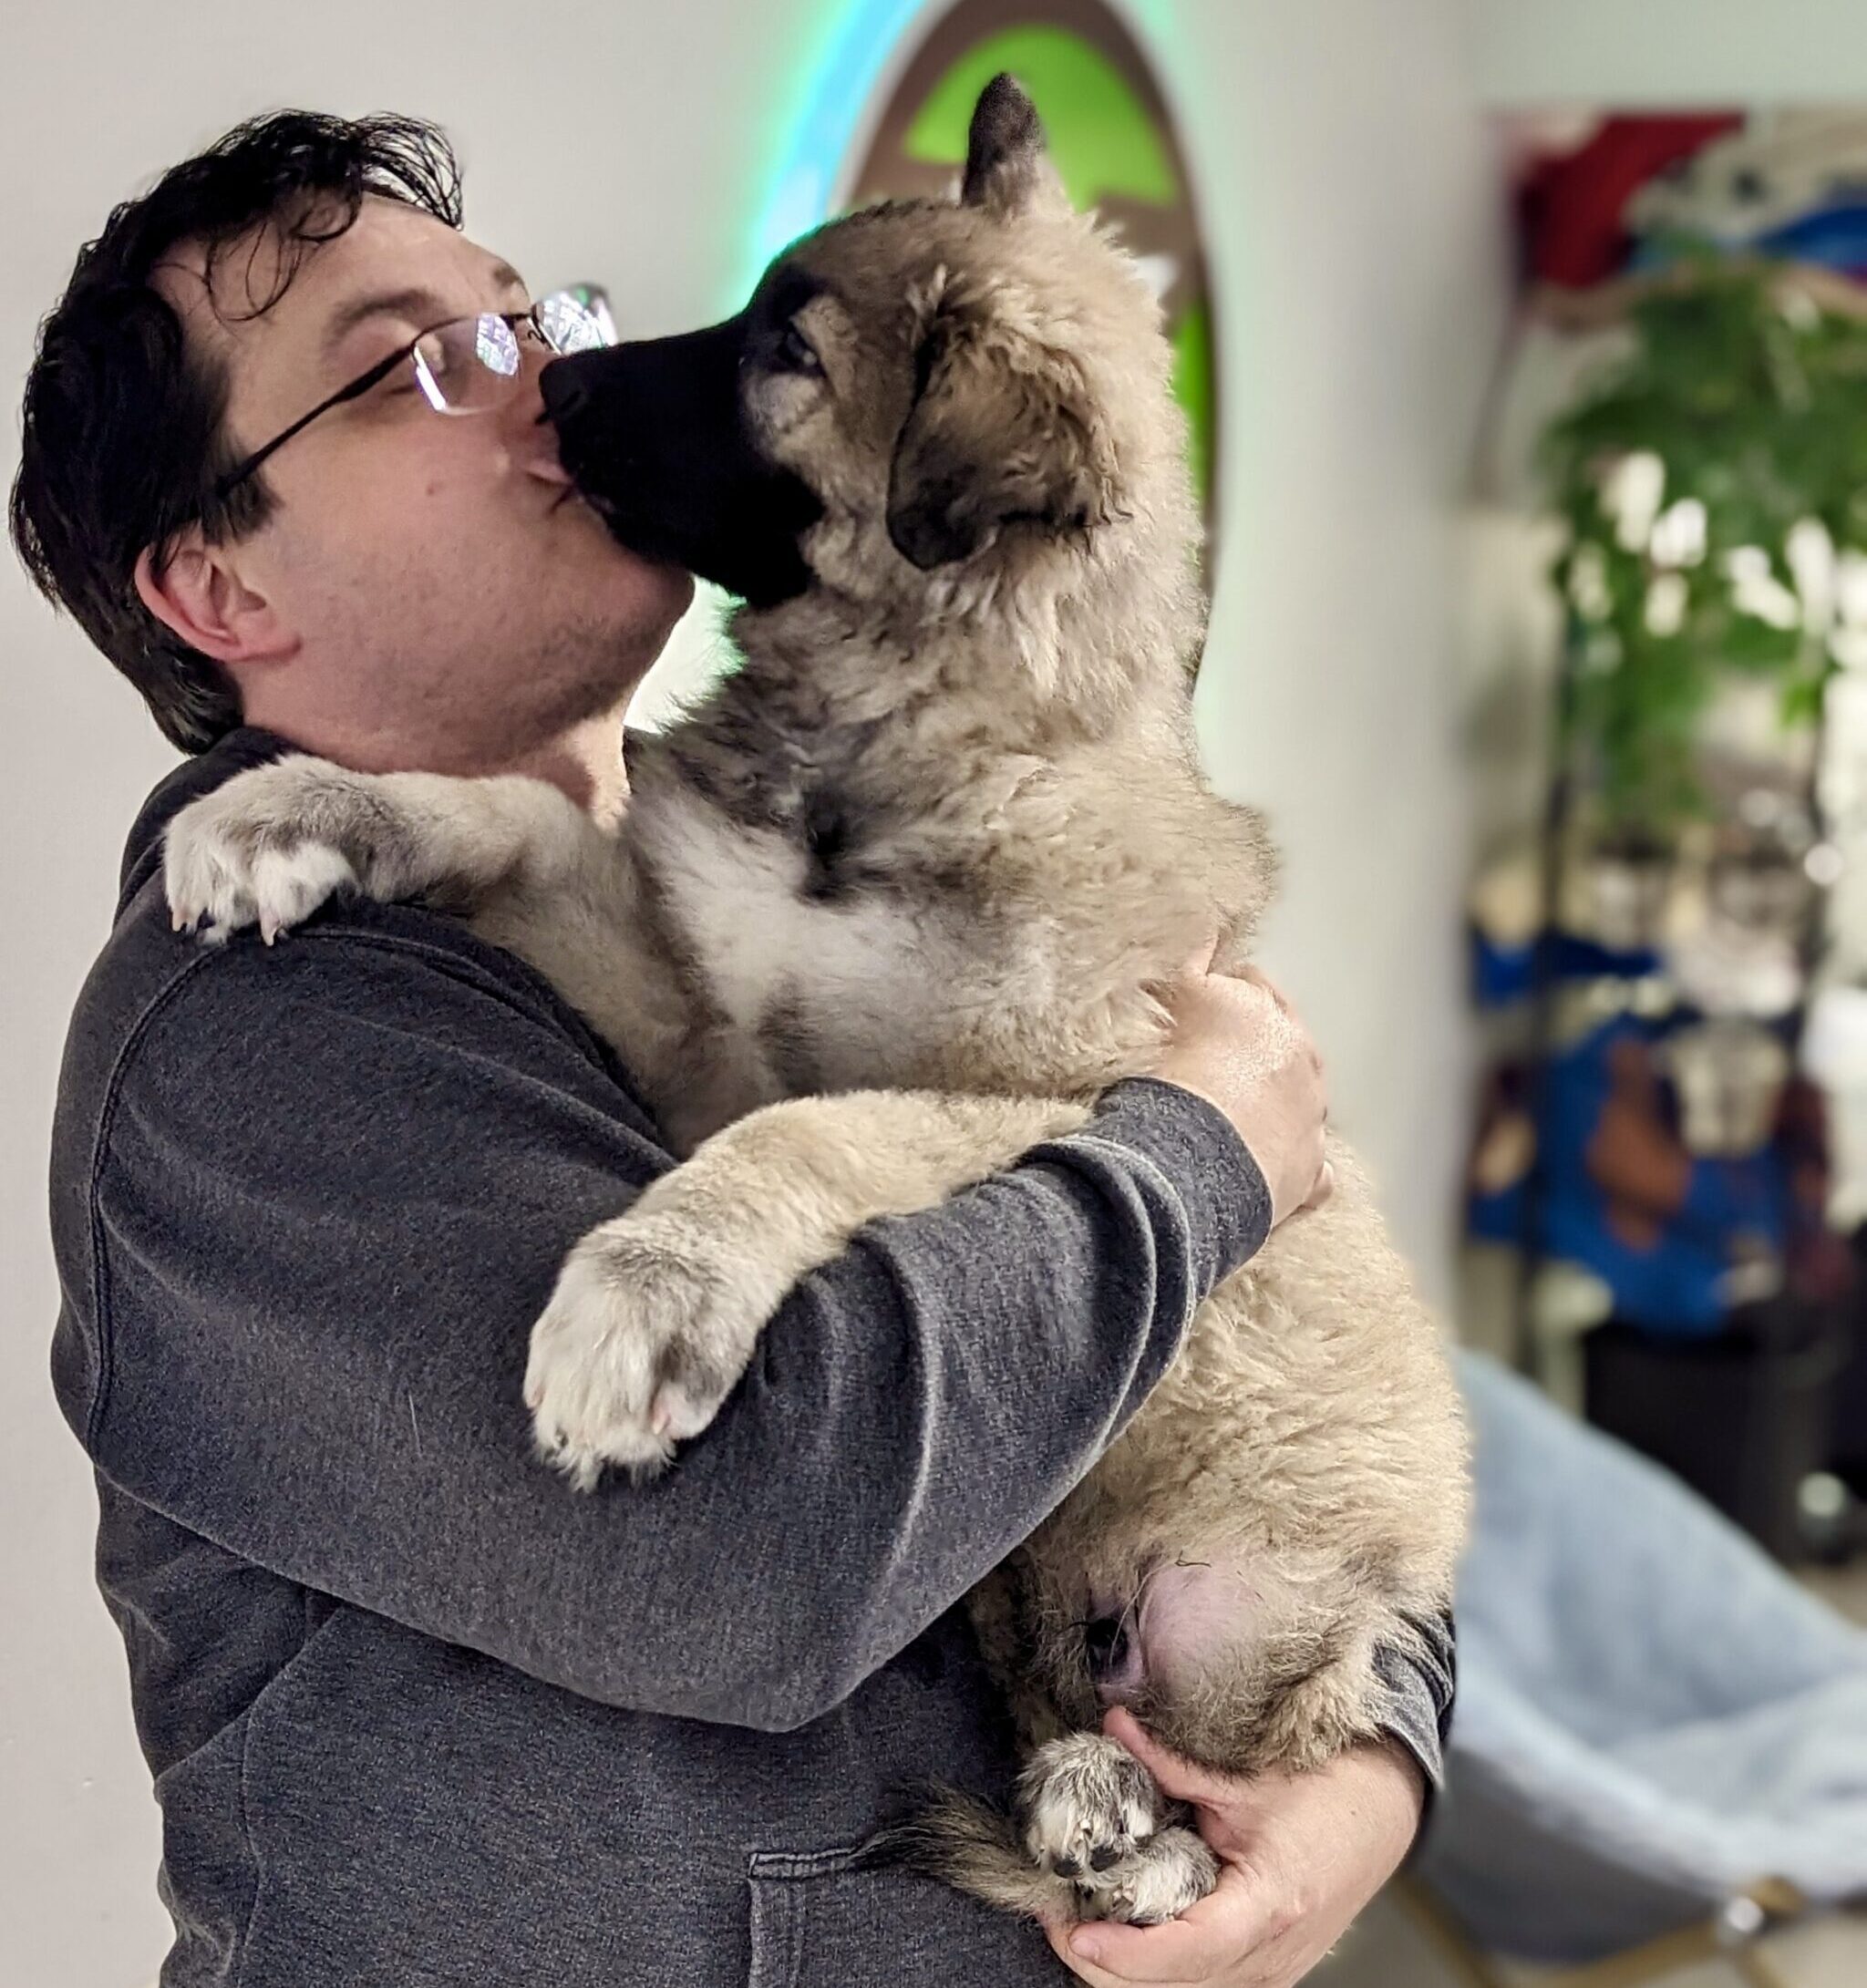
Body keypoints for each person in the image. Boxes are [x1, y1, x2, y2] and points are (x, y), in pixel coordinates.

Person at [13, 112, 1452, 1988]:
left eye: (526, 323)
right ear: (222, 588)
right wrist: (1192, 1160)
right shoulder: (261, 1048)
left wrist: (1368, 1765)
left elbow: (1281, 1377)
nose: (543, 387)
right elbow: (741, 1559)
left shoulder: (695, 860)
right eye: (406, 367)